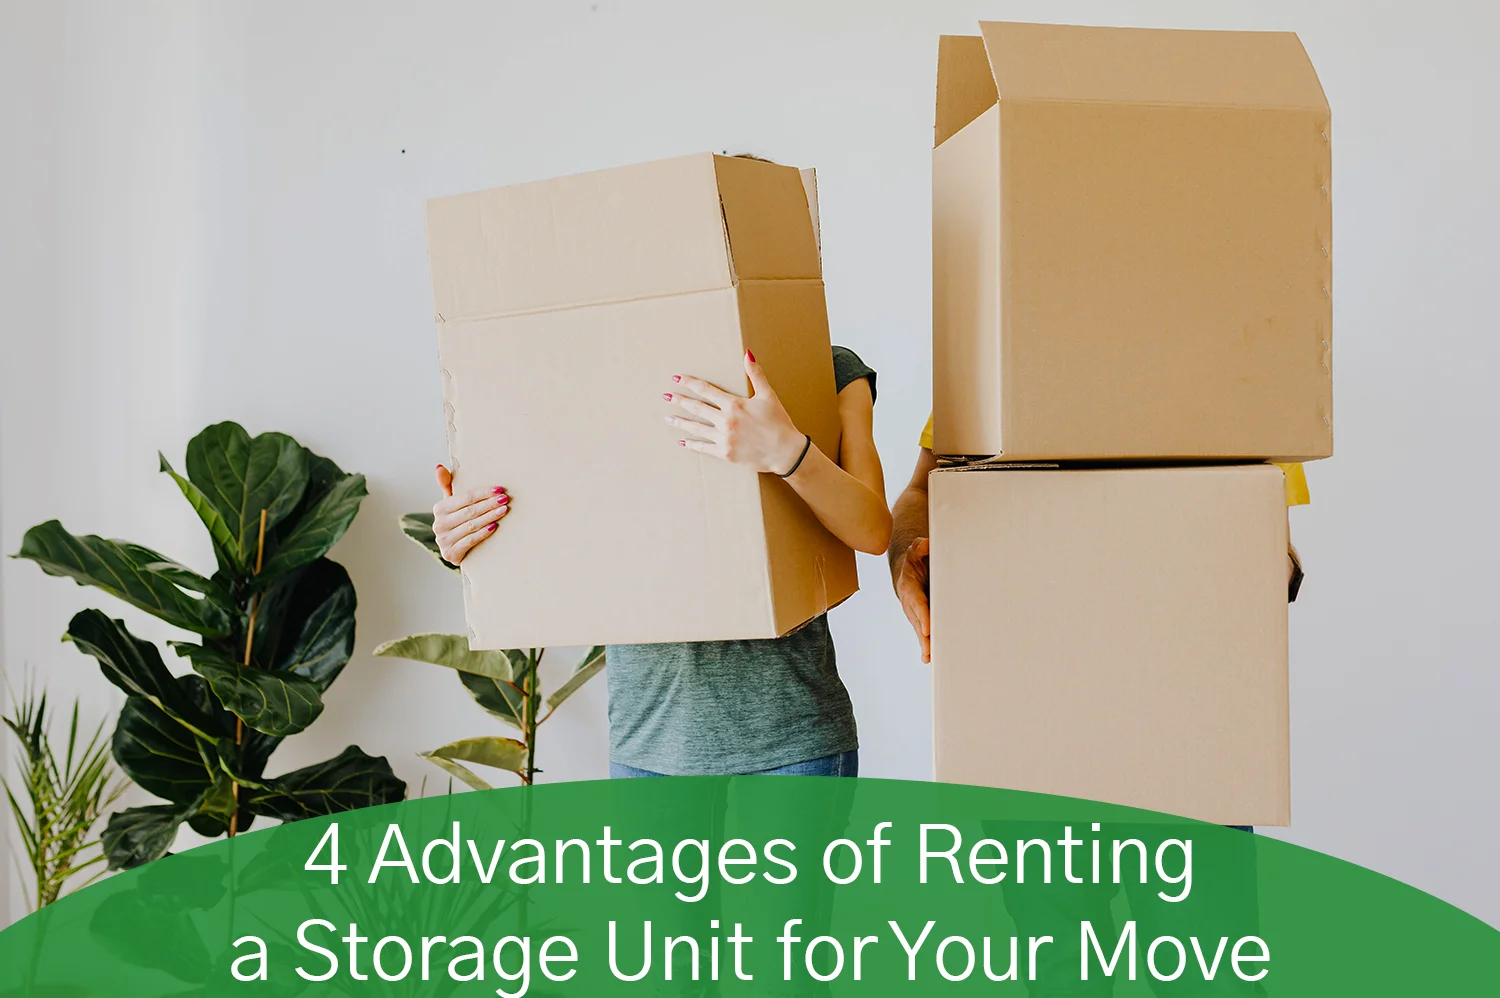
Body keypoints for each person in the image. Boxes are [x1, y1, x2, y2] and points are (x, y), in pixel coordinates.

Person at [432, 349, 889, 779]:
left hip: (790, 742)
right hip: (647, 744)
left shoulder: (826, 366)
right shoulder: (593, 367)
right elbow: (557, 516)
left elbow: (872, 530)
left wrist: (786, 451)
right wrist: (469, 532)